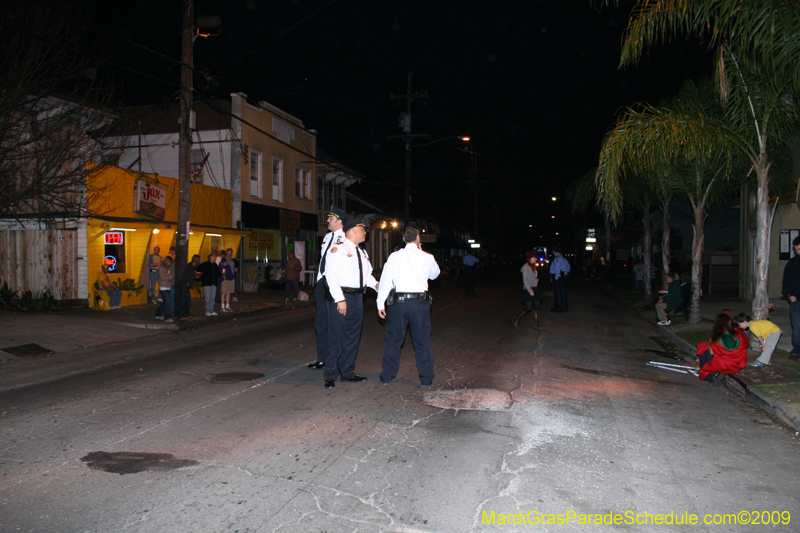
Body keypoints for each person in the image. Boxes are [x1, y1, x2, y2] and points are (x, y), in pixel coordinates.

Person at [376, 227, 440, 387]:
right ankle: (426, 379)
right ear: (418, 238)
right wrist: (422, 251)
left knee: (393, 340)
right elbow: (435, 274)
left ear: (403, 239)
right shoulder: (427, 257)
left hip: (399, 304)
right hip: (419, 304)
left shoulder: (394, 256)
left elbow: (385, 281)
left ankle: (387, 376)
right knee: (422, 342)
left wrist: (380, 303)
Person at [321, 216, 378, 388]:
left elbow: (366, 276)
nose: (365, 232)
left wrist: (376, 285)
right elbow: (330, 276)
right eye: (363, 229)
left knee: (352, 336)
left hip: (358, 298)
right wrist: (340, 299)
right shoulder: (337, 250)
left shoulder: (362, 252)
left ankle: (347, 372)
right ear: (353, 231)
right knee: (336, 336)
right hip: (342, 297)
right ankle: (330, 374)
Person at [310, 206, 349, 370]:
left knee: (337, 324)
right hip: (322, 284)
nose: (327, 220)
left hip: (336, 284)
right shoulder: (326, 237)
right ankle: (322, 358)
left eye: (330, 218)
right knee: (321, 323)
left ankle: (338, 360)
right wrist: (319, 280)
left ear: (339, 221)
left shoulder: (347, 238)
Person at [696, 312, 749, 386]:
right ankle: (712, 374)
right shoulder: (739, 333)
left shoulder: (719, 335)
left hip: (725, 362)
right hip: (738, 361)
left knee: (704, 347)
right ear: (729, 322)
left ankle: (711, 374)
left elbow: (711, 352)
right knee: (705, 347)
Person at [782, 235, 800, 361]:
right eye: (797, 249)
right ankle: (796, 350)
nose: (798, 252)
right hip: (797, 300)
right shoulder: (792, 263)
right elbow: (786, 281)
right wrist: (789, 295)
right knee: (797, 326)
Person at [513, 251, 541, 329]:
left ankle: (537, 325)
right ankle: (515, 321)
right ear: (530, 258)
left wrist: (536, 280)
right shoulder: (526, 267)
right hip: (529, 289)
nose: (536, 259)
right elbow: (525, 280)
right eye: (534, 257)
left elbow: (532, 276)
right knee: (528, 308)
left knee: (537, 305)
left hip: (534, 288)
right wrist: (530, 290)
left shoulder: (532, 266)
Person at [176, 254, 200, 319]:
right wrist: (187, 282)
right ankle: (181, 315)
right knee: (183, 299)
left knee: (187, 300)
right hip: (185, 284)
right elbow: (185, 275)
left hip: (186, 284)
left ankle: (186, 313)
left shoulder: (191, 266)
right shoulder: (190, 266)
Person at [549, 248, 571, 312]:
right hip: (563, 277)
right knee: (563, 293)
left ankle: (559, 308)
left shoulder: (557, 259)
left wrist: (555, 279)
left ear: (555, 252)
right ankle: (564, 307)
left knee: (558, 293)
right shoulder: (564, 259)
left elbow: (557, 270)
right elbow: (568, 268)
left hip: (558, 277)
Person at [154, 256, 174, 322]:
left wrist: (172, 275)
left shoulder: (169, 268)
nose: (169, 264)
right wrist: (170, 276)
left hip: (168, 286)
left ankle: (158, 314)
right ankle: (167, 317)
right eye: (169, 262)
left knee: (165, 302)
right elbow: (162, 277)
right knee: (167, 302)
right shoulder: (161, 268)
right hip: (163, 287)